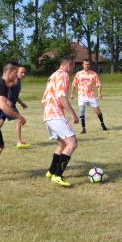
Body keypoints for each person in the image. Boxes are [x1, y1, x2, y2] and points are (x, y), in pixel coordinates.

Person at [42, 55, 79, 187]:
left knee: (61, 144)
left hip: (48, 116)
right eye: (72, 67)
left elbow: (44, 98)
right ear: (68, 65)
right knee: (72, 143)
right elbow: (62, 96)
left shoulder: (52, 76)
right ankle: (57, 175)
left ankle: (51, 171)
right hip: (56, 115)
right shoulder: (63, 75)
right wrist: (73, 114)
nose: (72, 70)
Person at [71, 59, 108, 133]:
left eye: (88, 64)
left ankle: (102, 124)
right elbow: (73, 84)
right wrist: (72, 94)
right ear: (82, 65)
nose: (87, 66)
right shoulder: (78, 74)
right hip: (81, 96)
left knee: (98, 112)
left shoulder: (93, 74)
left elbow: (98, 84)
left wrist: (99, 93)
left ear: (90, 65)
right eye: (85, 64)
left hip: (91, 96)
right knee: (82, 111)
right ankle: (83, 129)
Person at [0, 64, 30, 149]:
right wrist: (7, 99)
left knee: (0, 121)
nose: (23, 74)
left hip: (8, 104)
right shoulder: (15, 80)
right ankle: (19, 142)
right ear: (16, 72)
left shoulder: (18, 81)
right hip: (9, 105)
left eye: (25, 73)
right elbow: (5, 88)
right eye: (21, 72)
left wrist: (21, 103)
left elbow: (15, 95)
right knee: (18, 120)